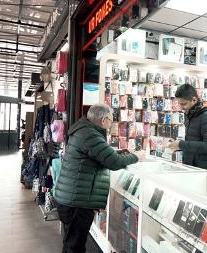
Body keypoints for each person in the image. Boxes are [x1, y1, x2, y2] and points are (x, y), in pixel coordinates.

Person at [54, 104, 144, 253]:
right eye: (111, 119)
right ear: (103, 120)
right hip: (77, 202)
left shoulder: (85, 131)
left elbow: (100, 154)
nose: (111, 123)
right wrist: (136, 157)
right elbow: (114, 162)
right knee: (74, 246)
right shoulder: (90, 135)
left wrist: (120, 152)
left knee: (71, 243)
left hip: (72, 199)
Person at [168, 84, 207, 171]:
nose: (181, 107)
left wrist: (180, 144)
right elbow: (194, 140)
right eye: (179, 104)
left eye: (183, 104)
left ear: (194, 100)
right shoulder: (191, 114)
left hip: (203, 170)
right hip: (191, 167)